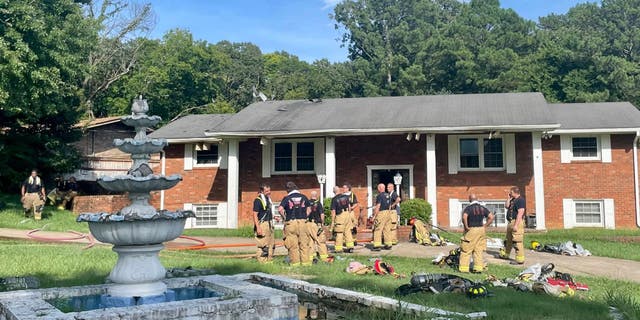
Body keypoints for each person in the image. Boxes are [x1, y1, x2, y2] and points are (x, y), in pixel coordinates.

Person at [278, 182, 312, 266]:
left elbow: (280, 209)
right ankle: (305, 263)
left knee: (293, 244)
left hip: (291, 222)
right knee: (304, 243)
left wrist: (285, 218)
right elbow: (309, 209)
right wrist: (304, 217)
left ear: (287, 190)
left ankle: (295, 264)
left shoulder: (286, 198)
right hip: (302, 222)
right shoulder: (304, 197)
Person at [459, 194, 494, 273]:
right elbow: (491, 217)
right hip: (481, 230)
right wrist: (485, 226)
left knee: (466, 249)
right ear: (477, 199)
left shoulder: (468, 208)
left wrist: (466, 226)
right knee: (478, 250)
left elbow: (464, 217)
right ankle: (478, 268)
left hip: (472, 229)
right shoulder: (482, 208)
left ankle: (464, 269)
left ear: (469, 199)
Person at [500, 187, 526, 264]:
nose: (510, 193)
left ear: (515, 192)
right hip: (510, 222)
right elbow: (506, 206)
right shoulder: (513, 200)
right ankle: (506, 254)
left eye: (511, 192)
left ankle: (520, 259)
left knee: (517, 241)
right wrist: (508, 198)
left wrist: (516, 225)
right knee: (509, 240)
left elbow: (520, 213)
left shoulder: (520, 200)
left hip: (516, 222)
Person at [253, 183, 274, 263]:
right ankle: (262, 263)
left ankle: (269, 261)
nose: (269, 192)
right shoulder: (258, 200)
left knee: (271, 244)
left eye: (269, 190)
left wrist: (274, 217)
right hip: (262, 224)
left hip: (269, 224)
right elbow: (255, 214)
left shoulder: (268, 200)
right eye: (267, 191)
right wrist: (258, 227)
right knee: (263, 245)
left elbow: (266, 211)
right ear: (262, 191)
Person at [330, 185, 355, 253]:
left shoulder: (334, 199)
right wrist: (348, 214)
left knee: (339, 233)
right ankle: (350, 247)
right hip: (347, 214)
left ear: (333, 192)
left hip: (340, 216)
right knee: (348, 231)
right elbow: (349, 206)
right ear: (339, 190)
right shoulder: (346, 197)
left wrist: (332, 220)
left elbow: (333, 211)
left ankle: (338, 249)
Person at [306, 190, 329, 262]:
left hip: (308, 224)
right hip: (316, 224)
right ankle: (324, 258)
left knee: (310, 241)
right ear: (316, 196)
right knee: (320, 240)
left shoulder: (307, 203)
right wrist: (322, 223)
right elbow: (322, 214)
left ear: (311, 195)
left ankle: (310, 258)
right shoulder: (318, 203)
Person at [371, 183, 393, 251]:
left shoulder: (379, 196)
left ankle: (377, 245)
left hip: (381, 213)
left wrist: (374, 216)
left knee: (378, 229)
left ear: (380, 188)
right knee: (387, 229)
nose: (377, 189)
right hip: (388, 213)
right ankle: (388, 244)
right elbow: (390, 206)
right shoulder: (388, 195)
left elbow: (378, 206)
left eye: (378, 188)